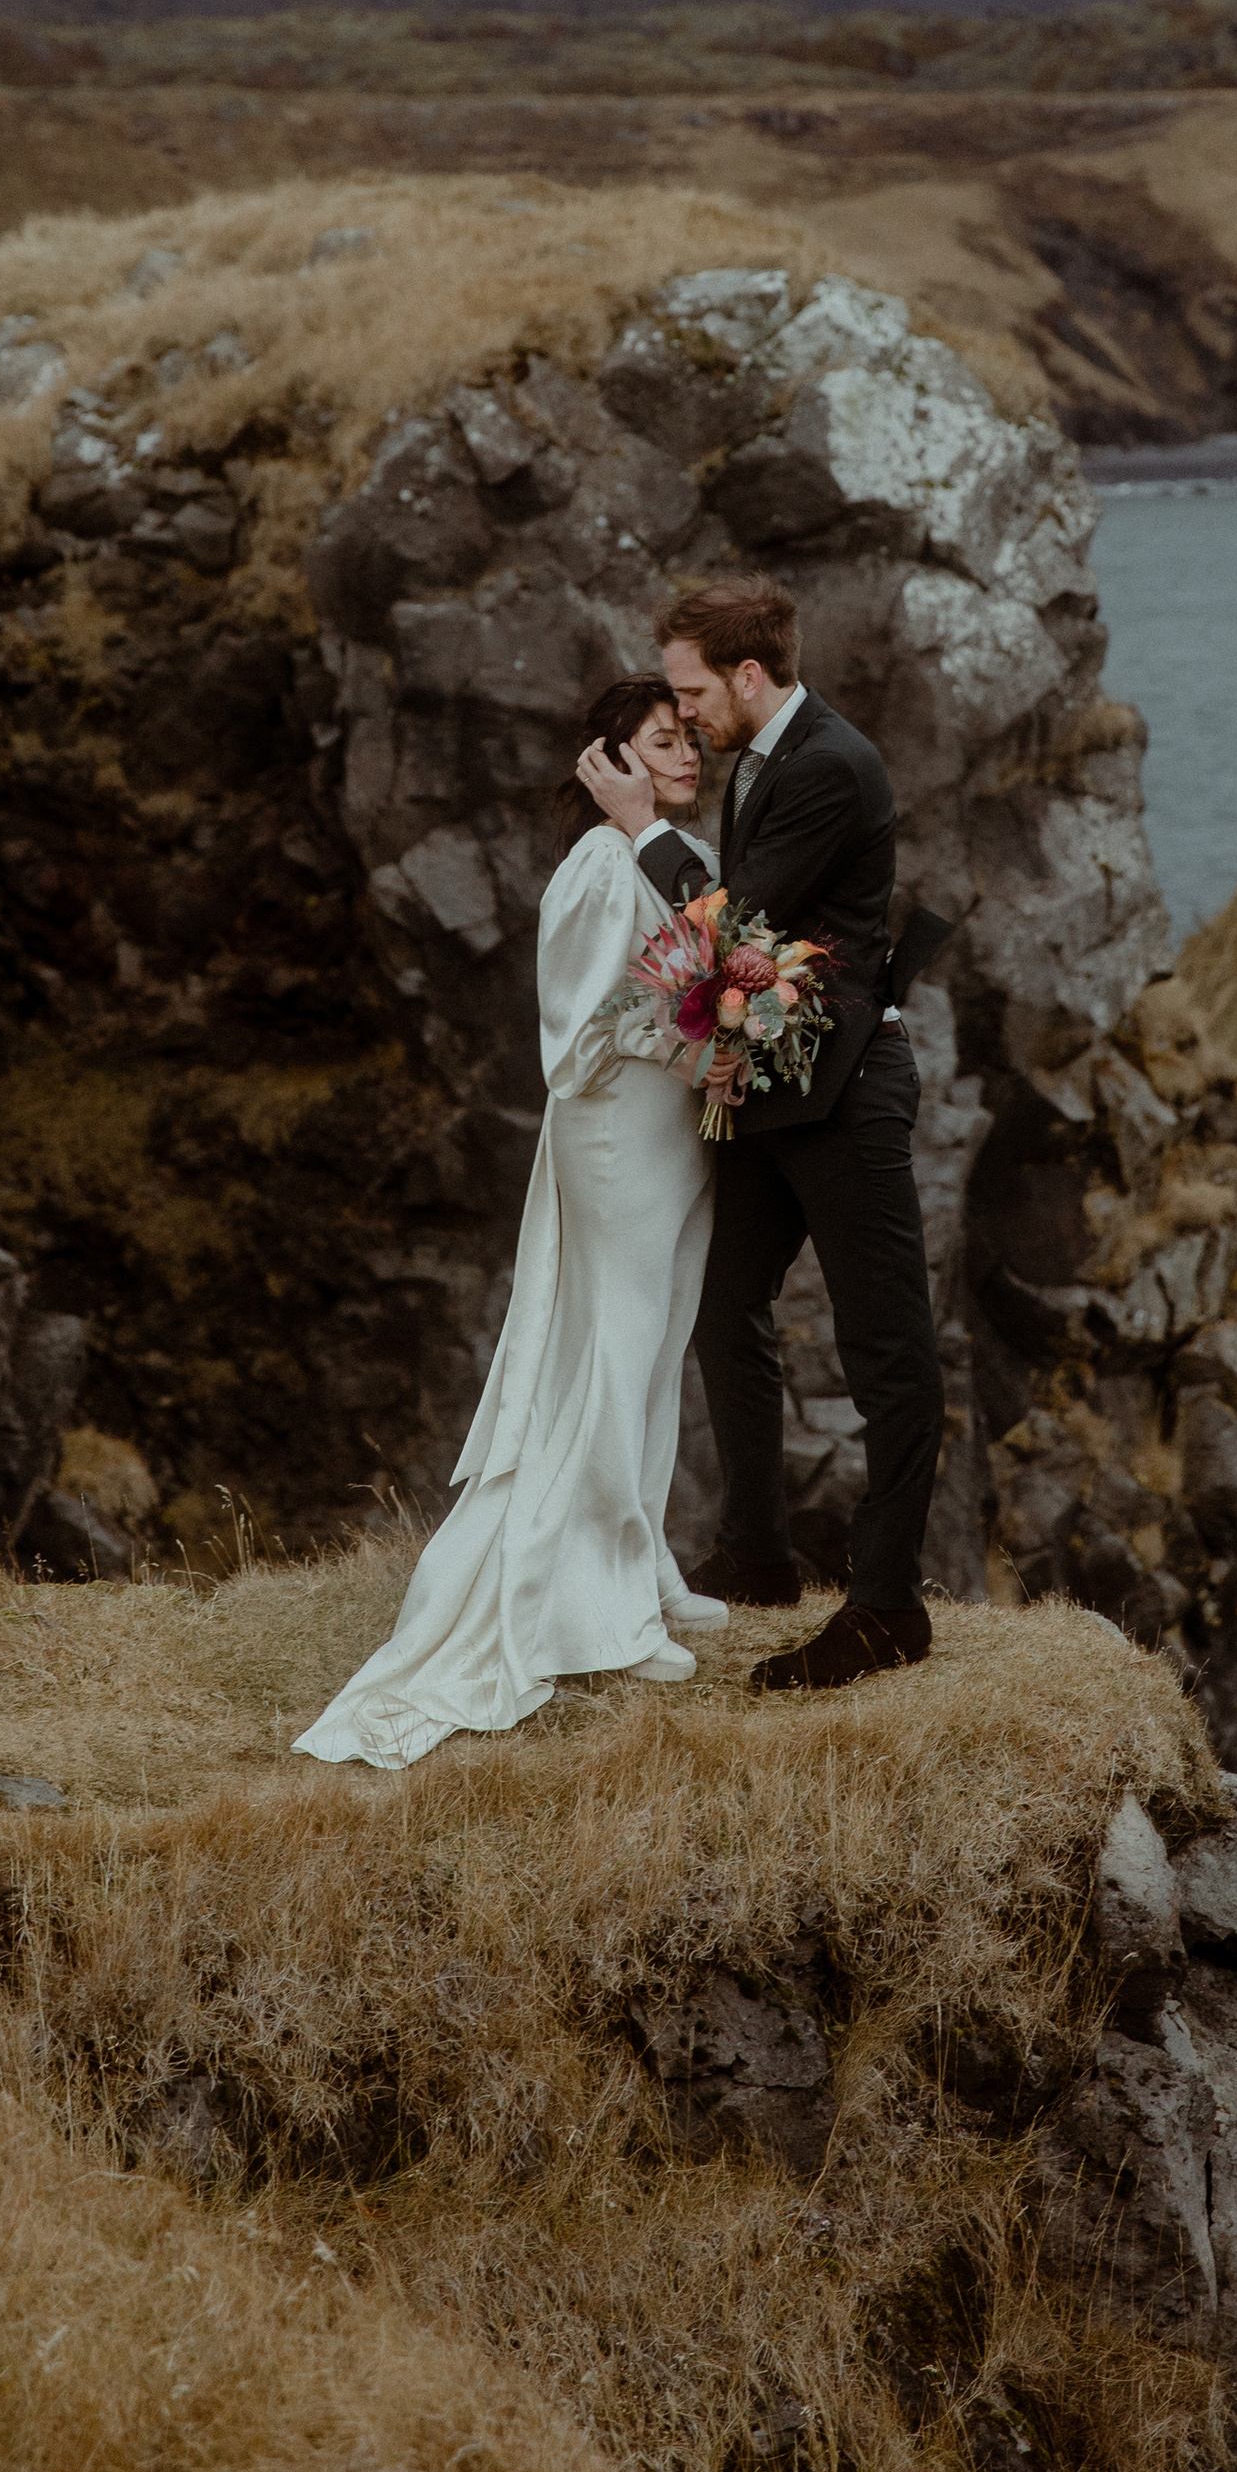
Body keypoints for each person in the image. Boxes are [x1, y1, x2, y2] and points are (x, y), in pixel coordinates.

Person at [295, 676, 727, 1771]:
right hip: (619, 1134)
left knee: (657, 1340)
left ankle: (645, 1560)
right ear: (610, 764)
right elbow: (579, 1025)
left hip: (674, 1132)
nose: (685, 755)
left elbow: (701, 964)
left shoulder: (674, 851)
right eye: (660, 743)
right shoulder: (598, 862)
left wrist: (715, 1043)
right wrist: (696, 1042)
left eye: (686, 740)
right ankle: (598, 1607)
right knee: (617, 1344)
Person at [574, 574, 942, 1695]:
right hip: (775, 1088)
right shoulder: (766, 756)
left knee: (889, 1352)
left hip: (847, 1095)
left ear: (746, 674)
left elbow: (736, 922)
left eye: (690, 693)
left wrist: (641, 829)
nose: (681, 719)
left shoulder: (830, 763)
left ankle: (885, 1609)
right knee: (723, 1302)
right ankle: (761, 1553)